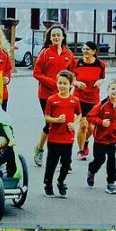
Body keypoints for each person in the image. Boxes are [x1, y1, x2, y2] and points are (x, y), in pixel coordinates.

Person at [31, 24, 76, 167]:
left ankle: (64, 159)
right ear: (50, 38)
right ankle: (39, 149)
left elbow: (73, 74)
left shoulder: (68, 54)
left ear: (63, 37)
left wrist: (71, 87)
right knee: (50, 124)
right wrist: (53, 83)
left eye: (58, 34)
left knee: (63, 125)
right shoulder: (45, 53)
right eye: (53, 35)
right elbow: (36, 73)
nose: (56, 37)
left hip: (64, 95)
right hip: (46, 95)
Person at [86, 80, 116, 194]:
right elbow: (90, 117)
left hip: (112, 139)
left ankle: (111, 183)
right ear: (108, 90)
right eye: (112, 89)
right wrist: (101, 122)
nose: (115, 91)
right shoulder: (102, 105)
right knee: (100, 160)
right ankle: (91, 170)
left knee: (112, 160)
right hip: (100, 139)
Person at [43, 70, 81, 198]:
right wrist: (56, 120)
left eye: (65, 83)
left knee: (66, 163)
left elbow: (80, 114)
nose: (62, 85)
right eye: (59, 83)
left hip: (67, 138)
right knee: (51, 163)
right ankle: (48, 184)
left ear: (71, 85)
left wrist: (74, 124)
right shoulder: (52, 99)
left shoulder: (74, 100)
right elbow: (47, 117)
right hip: (54, 138)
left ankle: (61, 181)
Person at [71, 41, 106, 160]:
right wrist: (76, 82)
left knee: (91, 127)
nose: (85, 51)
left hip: (94, 99)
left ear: (94, 51)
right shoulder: (76, 63)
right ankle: (80, 151)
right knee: (83, 125)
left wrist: (100, 82)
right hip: (79, 98)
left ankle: (85, 141)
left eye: (88, 49)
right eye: (84, 49)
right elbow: (70, 78)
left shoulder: (100, 64)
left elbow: (102, 77)